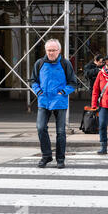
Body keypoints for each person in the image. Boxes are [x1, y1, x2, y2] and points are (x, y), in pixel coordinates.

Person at [31, 39, 77, 169]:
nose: (51, 53)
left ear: (59, 51)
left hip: (59, 102)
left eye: (53, 50)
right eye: (49, 50)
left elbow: (73, 83)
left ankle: (60, 159)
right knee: (40, 128)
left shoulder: (65, 63)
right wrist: (38, 92)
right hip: (43, 101)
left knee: (61, 132)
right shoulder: (39, 63)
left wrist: (62, 92)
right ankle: (46, 156)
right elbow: (33, 80)